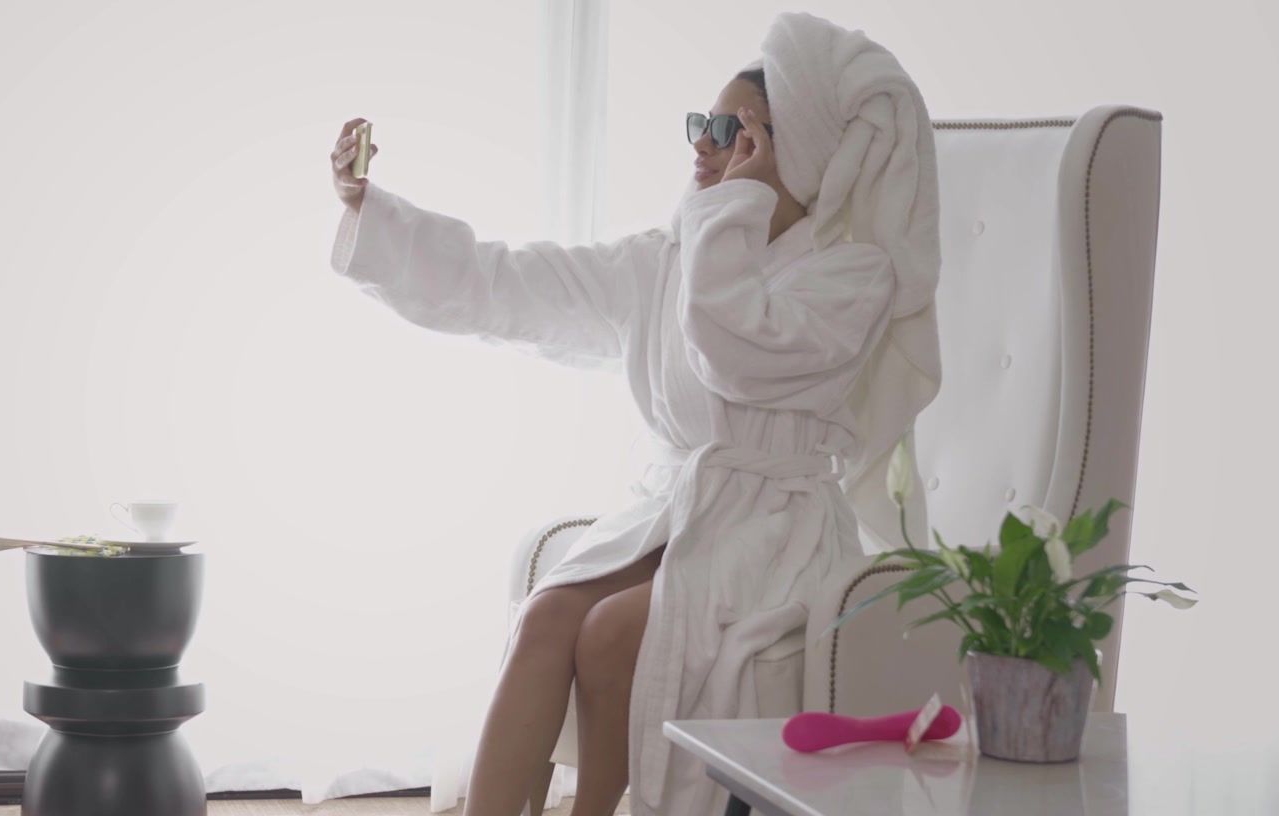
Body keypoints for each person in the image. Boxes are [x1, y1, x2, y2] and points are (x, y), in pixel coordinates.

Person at [325, 11, 942, 816]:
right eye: (699, 125)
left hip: (771, 532)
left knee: (613, 630)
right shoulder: (666, 258)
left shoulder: (851, 277)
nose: (701, 147)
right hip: (676, 511)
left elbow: (734, 351)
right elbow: (506, 284)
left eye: (729, 132)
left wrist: (732, 207)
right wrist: (369, 207)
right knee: (547, 614)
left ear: (796, 152)